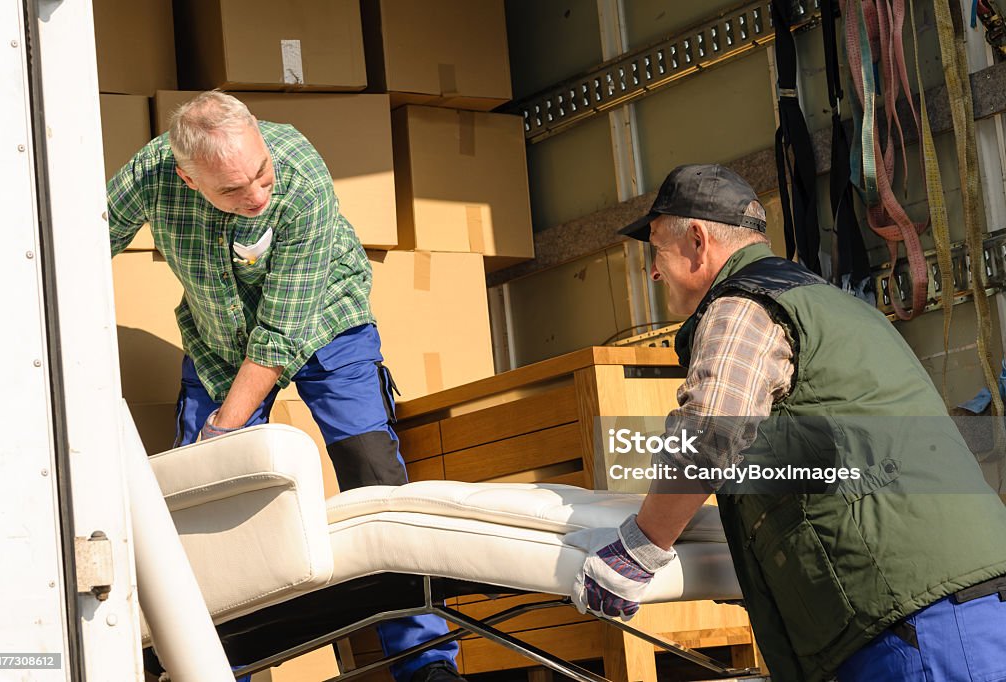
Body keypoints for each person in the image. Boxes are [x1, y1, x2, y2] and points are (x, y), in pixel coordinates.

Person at [572, 164, 1006, 681]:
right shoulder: (828, 303)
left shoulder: (744, 303)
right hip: (948, 599)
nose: (653, 272)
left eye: (656, 252)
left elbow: (712, 431)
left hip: (909, 617)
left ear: (696, 240)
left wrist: (640, 547)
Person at [107, 90, 464, 682]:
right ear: (187, 178)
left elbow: (281, 332)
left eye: (260, 176)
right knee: (204, 501)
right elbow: (73, 245)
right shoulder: (150, 173)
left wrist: (224, 427)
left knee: (372, 474)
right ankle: (217, 666)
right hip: (218, 340)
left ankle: (427, 665)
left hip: (326, 320)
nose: (256, 197)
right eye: (232, 190)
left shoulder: (298, 171)